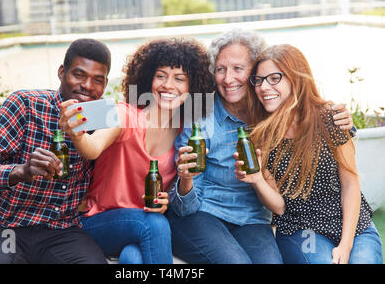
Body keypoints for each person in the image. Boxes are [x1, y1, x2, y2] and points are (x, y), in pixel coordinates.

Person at [167, 28, 354, 264]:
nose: (227, 78)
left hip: (252, 219)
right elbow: (185, 208)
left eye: (238, 69)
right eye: (221, 69)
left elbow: (307, 111)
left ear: (255, 71)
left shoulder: (270, 107)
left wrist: (344, 120)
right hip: (202, 214)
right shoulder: (201, 113)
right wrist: (186, 179)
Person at [59, 37, 215, 264]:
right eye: (161, 75)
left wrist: (167, 200)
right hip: (98, 222)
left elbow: (170, 197)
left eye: (179, 79)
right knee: (154, 224)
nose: (168, 85)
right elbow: (92, 149)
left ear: (192, 87)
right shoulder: (124, 114)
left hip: (138, 228)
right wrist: (76, 134)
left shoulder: (185, 132)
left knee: (132, 259)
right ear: (148, 78)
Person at [0, 38, 112, 264]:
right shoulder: (25, 104)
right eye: (79, 75)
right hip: (8, 227)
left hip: (60, 231)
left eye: (97, 80)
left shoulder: (101, 117)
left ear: (105, 84)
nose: (88, 86)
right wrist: (21, 171)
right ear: (62, 72)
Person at [234, 43, 383, 264]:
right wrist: (257, 181)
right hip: (302, 230)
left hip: (354, 227)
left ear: (296, 79)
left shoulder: (330, 118)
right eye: (259, 80)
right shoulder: (258, 136)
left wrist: (346, 245)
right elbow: (280, 206)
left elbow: (350, 184)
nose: (264, 87)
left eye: (274, 78)